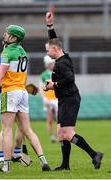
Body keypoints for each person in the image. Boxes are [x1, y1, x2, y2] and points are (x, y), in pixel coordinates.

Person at [0, 25, 50, 173]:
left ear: (14, 37)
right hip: (22, 92)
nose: (4, 35)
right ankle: (43, 162)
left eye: (7, 34)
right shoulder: (23, 52)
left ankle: (6, 167)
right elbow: (24, 77)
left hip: (9, 92)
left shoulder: (7, 52)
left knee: (7, 129)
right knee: (27, 130)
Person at [44, 11, 103, 171]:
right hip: (65, 98)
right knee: (61, 133)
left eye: (48, 50)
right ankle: (65, 165)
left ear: (55, 49)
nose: (47, 53)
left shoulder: (61, 63)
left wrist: (53, 86)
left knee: (68, 134)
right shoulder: (61, 57)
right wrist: (50, 26)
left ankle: (94, 154)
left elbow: (70, 79)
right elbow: (53, 41)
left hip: (70, 99)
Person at [0, 57, 24, 164]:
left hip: (17, 94)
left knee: (22, 126)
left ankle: (17, 154)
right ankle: (1, 157)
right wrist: (11, 84)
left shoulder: (19, 58)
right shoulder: (0, 60)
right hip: (5, 95)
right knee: (6, 127)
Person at [39, 55, 58, 143]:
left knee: (59, 119)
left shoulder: (57, 72)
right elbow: (41, 88)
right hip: (49, 99)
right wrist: (44, 99)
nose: (52, 65)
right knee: (50, 119)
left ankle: (60, 135)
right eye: (50, 63)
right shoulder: (43, 75)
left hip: (57, 98)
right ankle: (52, 136)